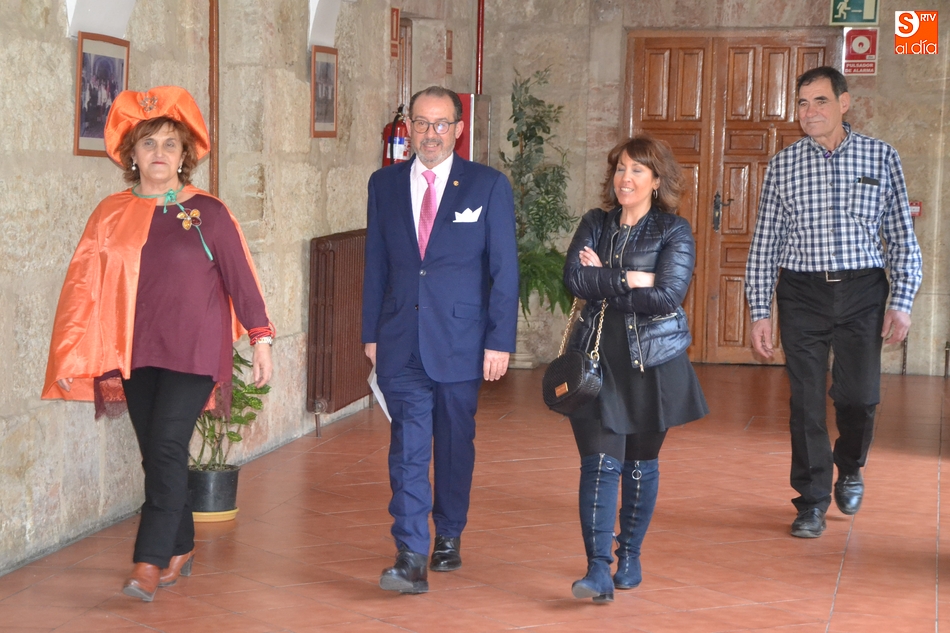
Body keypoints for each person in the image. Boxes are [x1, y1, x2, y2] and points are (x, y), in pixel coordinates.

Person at [42, 86, 275, 601]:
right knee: (156, 453)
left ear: (185, 153)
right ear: (132, 154)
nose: (159, 153)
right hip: (135, 349)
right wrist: (73, 348)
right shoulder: (109, 214)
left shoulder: (209, 213)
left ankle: (147, 562)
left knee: (167, 445)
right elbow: (83, 286)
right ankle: (182, 545)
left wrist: (260, 339)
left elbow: (241, 279)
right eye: (148, 144)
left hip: (193, 350)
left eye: (170, 143)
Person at [745, 66, 922, 539]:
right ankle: (811, 502)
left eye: (820, 101)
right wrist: (760, 311)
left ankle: (851, 466)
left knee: (859, 398)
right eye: (802, 103)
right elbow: (765, 244)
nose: (809, 112)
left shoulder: (881, 156)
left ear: (844, 103)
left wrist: (902, 300)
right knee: (805, 402)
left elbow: (901, 237)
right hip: (801, 292)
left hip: (863, 292)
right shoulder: (783, 165)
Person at [362, 86, 519, 594]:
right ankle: (410, 553)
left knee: (453, 442)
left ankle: (449, 531)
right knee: (407, 445)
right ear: (408, 127)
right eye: (421, 123)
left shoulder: (487, 186)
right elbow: (375, 264)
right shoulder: (384, 184)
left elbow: (504, 270)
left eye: (441, 124)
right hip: (400, 338)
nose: (430, 134)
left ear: (458, 130)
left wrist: (499, 341)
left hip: (461, 340)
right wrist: (370, 333)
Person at [563, 136, 708, 603]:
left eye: (637, 170)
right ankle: (597, 569)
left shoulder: (674, 230)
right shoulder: (595, 222)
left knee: (640, 466)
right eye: (621, 169)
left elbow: (667, 295)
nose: (625, 178)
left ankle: (629, 554)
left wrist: (604, 278)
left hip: (653, 363)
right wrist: (631, 277)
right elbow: (574, 279)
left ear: (657, 180)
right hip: (595, 362)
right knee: (599, 463)